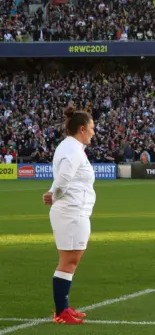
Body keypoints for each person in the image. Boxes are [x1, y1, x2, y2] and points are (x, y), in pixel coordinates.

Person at [42, 105, 96, 324]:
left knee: (70, 260)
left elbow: (63, 179)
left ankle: (63, 308)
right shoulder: (73, 150)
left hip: (74, 211)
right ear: (81, 129)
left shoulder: (71, 147)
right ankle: (61, 312)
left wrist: (54, 194)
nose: (94, 132)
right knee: (69, 261)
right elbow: (63, 179)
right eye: (92, 128)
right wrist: (54, 195)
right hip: (71, 212)